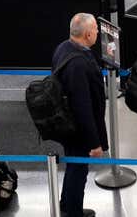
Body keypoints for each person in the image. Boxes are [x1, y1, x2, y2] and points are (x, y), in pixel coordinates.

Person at [54, 13, 108, 217]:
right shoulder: (79, 64)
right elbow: (82, 107)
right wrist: (94, 142)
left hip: (67, 123)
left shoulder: (63, 48)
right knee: (78, 171)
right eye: (95, 29)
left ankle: (66, 204)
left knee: (73, 165)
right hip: (77, 129)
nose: (97, 32)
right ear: (87, 34)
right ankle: (74, 212)